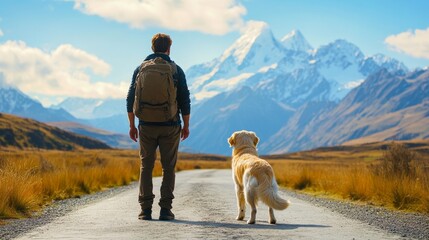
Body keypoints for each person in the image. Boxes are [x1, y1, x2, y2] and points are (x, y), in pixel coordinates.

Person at [126, 33, 191, 221]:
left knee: (146, 166)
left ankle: (145, 210)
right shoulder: (176, 70)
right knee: (168, 167)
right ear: (169, 48)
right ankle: (165, 210)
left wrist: (132, 125)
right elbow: (184, 100)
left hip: (145, 125)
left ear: (152, 48)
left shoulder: (140, 69)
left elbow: (130, 99)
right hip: (170, 125)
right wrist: (185, 125)